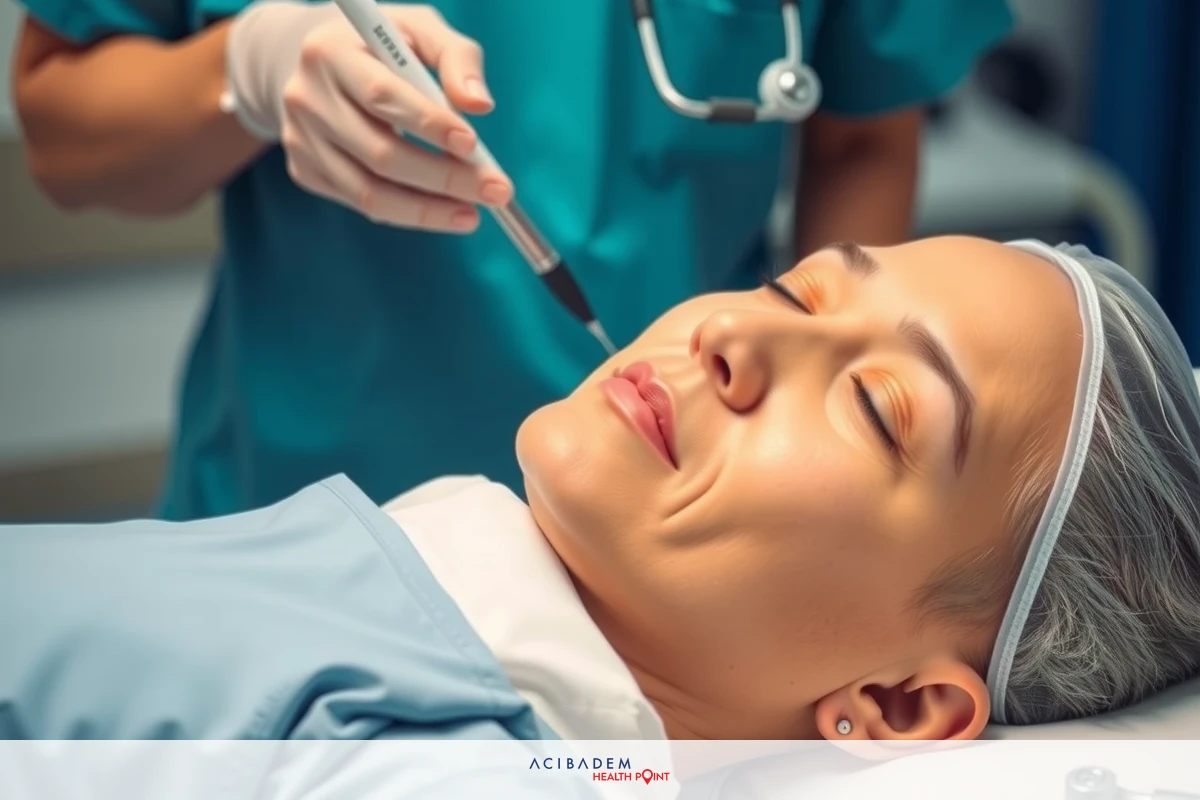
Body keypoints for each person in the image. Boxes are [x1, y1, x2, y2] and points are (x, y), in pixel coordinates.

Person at [2, 236, 1198, 745]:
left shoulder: (463, 747)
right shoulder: (441, 600)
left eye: (877, 407)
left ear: (895, 704)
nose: (732, 329)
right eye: (796, 290)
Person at [12, 0, 1016, 520]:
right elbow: (64, 132)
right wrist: (243, 69)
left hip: (654, 560)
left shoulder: (654, 735)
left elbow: (861, 139)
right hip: (287, 503)